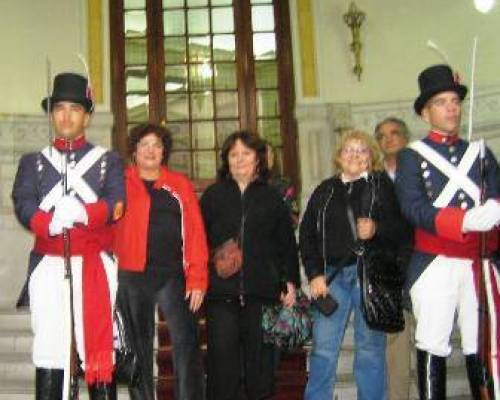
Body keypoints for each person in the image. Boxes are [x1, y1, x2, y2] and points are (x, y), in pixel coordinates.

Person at [11, 72, 125, 400]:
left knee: (97, 349)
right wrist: (47, 222)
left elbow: (117, 202)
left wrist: (84, 213)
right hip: (49, 262)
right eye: (59, 108)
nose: (66, 115)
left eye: (74, 109)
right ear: (51, 114)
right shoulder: (33, 162)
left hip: (94, 264)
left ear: (86, 116)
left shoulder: (107, 161)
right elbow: (22, 202)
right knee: (49, 345)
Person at [395, 64, 500, 399]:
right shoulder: (412, 157)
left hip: (478, 263)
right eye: (441, 102)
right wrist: (464, 221)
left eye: (454, 100)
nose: (451, 108)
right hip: (435, 261)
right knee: (432, 344)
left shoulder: (482, 154)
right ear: (426, 113)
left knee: (480, 344)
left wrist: (495, 209)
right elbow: (413, 208)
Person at [300, 129, 408, 400]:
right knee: (323, 350)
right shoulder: (325, 189)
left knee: (370, 350)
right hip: (331, 279)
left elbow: (402, 230)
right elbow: (307, 235)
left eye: (362, 150)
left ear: (371, 157)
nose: (355, 155)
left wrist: (376, 228)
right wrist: (314, 274)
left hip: (370, 277)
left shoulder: (381, 185)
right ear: (339, 155)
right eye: (349, 149)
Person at [200, 130, 300, 400]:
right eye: (233, 155)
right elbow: (197, 242)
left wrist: (290, 281)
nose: (240, 159)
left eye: (246, 153)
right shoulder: (212, 196)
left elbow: (286, 245)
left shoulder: (272, 197)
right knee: (222, 368)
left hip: (262, 294)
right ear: (226, 161)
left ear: (258, 159)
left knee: (259, 367)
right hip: (221, 295)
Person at [113, 123, 208, 400]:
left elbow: (195, 233)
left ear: (163, 151)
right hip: (131, 276)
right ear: (134, 151)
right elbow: (105, 228)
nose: (150, 150)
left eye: (156, 145)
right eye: (144, 144)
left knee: (186, 345)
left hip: (173, 275)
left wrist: (198, 278)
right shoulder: (119, 183)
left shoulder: (179, 185)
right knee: (137, 347)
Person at [374, 117, 414, 400]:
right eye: (382, 136)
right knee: (396, 342)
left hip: (422, 262)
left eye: (394, 133)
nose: (388, 139)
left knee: (427, 339)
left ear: (405, 136)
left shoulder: (421, 171)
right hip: (388, 267)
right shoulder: (373, 179)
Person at [264, 141, 300, 228]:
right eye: (265, 154)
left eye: (271, 153)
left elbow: (294, 220)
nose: (269, 157)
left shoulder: (285, 184)